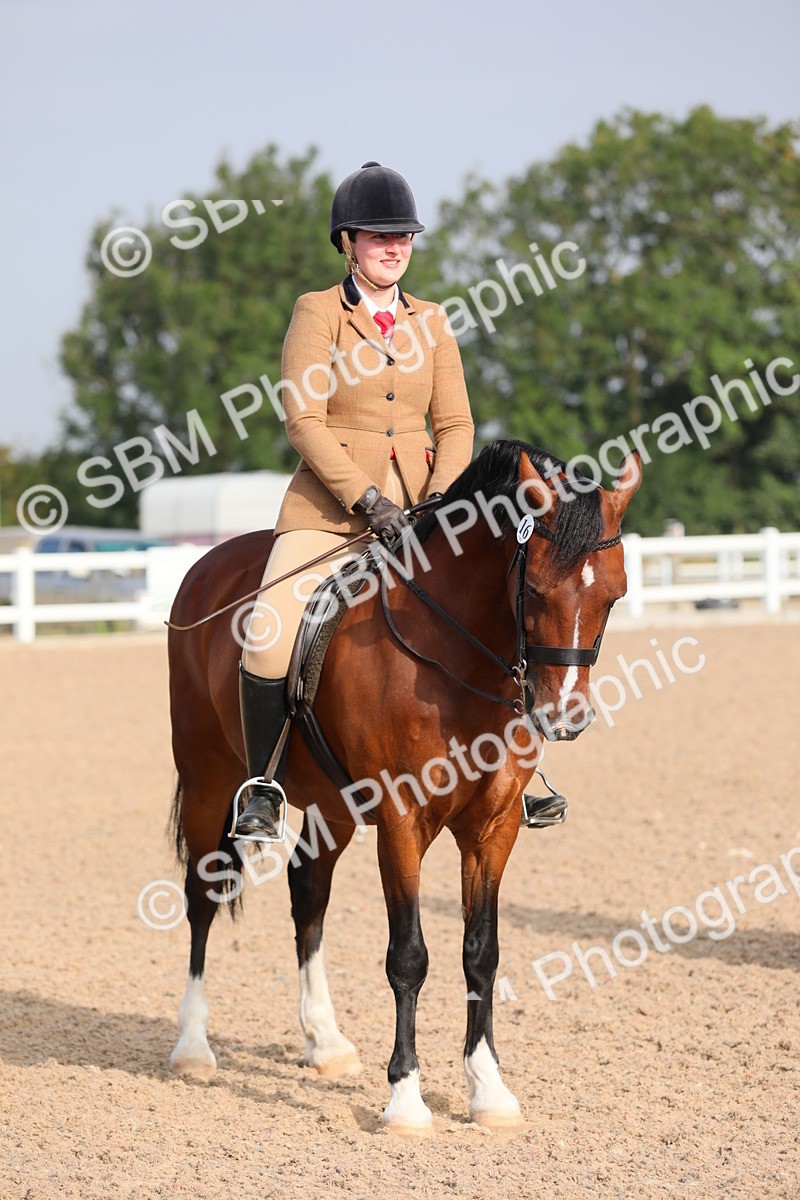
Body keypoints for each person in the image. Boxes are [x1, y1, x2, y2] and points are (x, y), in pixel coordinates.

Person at [234, 161, 475, 839]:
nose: (394, 247)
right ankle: (265, 784)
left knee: (496, 606)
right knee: (267, 634)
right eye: (378, 236)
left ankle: (516, 770)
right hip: (333, 513)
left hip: (422, 512)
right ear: (348, 242)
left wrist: (435, 499)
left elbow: (456, 425)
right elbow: (302, 418)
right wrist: (368, 499)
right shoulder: (319, 312)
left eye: (403, 236)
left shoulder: (433, 320)